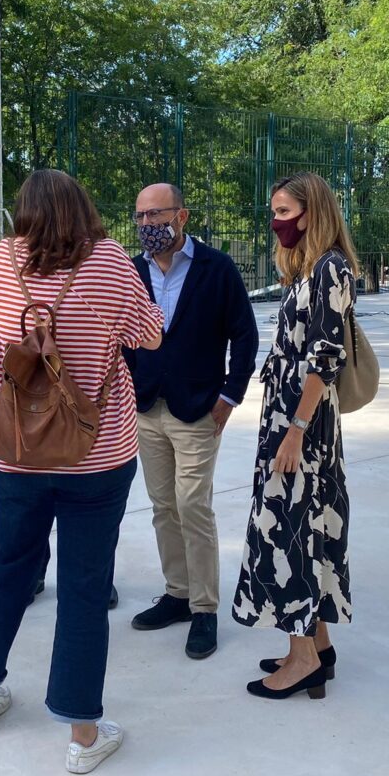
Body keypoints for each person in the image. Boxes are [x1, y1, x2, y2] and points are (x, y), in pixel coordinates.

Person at [0, 169, 163, 774]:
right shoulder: (110, 261)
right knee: (84, 584)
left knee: (10, 564)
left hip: (16, 450)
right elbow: (150, 335)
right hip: (96, 453)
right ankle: (81, 733)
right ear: (82, 207)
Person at [232, 171, 357, 701]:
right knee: (306, 525)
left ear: (312, 213)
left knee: (291, 530)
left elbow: (325, 359)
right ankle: (318, 647)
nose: (275, 222)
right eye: (274, 212)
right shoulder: (311, 267)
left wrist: (295, 433)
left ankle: (303, 660)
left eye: (284, 212)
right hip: (291, 417)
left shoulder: (330, 268)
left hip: (302, 423)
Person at [124, 184, 259, 660]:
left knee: (192, 505)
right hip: (147, 408)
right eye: (140, 217)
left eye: (155, 215)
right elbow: (123, 336)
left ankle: (204, 608)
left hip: (198, 409)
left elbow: (245, 335)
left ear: (180, 216)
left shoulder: (215, 268)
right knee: (163, 506)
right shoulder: (132, 270)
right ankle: (177, 594)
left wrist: (229, 395)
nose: (146, 225)